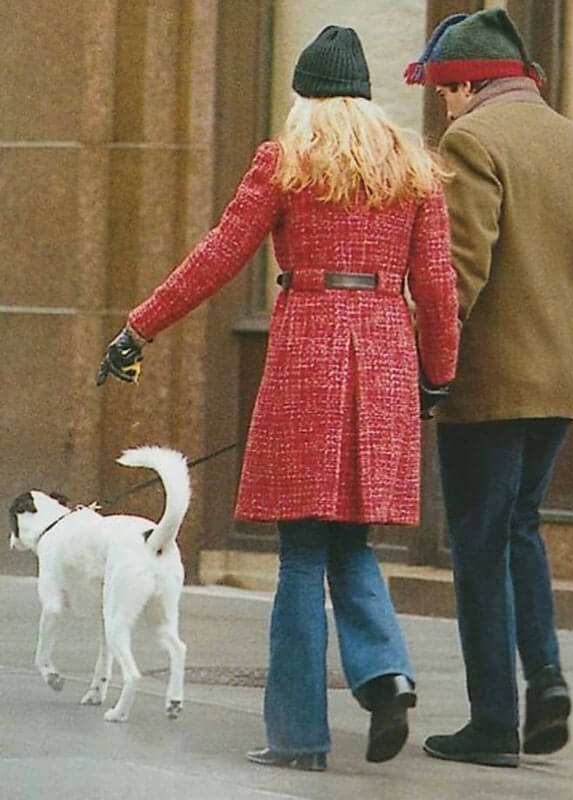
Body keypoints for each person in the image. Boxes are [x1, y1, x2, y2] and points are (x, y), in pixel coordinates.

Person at [98, 25, 460, 770]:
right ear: (364, 94)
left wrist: (141, 327)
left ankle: (298, 737)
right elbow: (438, 287)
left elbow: (219, 255)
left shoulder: (287, 161)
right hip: (388, 348)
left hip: (309, 354)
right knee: (353, 539)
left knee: (301, 552)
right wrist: (438, 374)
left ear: (305, 95)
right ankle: (385, 673)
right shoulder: (413, 171)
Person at [404, 8, 573, 768]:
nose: (443, 108)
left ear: (466, 86)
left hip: (490, 382)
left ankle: (494, 720)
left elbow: (456, 276)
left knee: (478, 543)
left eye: (443, 92)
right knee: (521, 526)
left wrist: (428, 368)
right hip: (562, 377)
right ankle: (546, 678)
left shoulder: (472, 142)